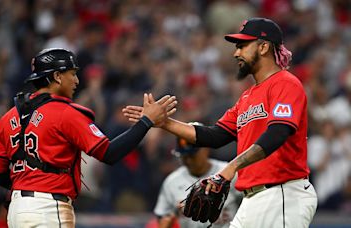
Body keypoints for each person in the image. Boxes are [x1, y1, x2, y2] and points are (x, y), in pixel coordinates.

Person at [123, 18, 318, 227]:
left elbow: (278, 133)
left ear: (263, 47)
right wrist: (165, 123)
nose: (236, 53)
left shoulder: (285, 83)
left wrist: (230, 168)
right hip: (253, 199)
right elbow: (215, 136)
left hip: (282, 193)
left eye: (243, 46)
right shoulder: (247, 97)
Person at [0, 48, 177, 228]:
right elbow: (108, 153)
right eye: (72, 74)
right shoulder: (65, 112)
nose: (77, 81)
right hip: (48, 208)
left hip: (17, 209)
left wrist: (27, 187)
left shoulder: (8, 118)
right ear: (57, 76)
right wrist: (146, 121)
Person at [153, 122, 240, 228]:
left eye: (192, 155)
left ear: (206, 149)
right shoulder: (172, 182)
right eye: (184, 156)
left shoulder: (229, 173)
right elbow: (162, 219)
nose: (188, 160)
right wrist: (174, 214)